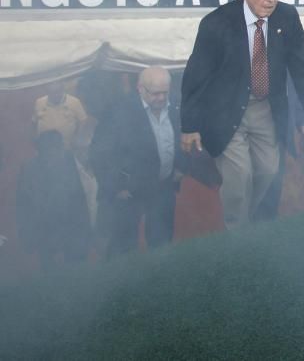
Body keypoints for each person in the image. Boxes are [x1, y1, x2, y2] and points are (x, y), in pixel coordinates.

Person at [180, 0, 304, 228]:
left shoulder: (287, 16)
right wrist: (189, 125)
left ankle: (247, 221)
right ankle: (237, 234)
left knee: (269, 171)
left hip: (266, 109)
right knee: (238, 178)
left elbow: (299, 62)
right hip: (227, 112)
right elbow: (195, 76)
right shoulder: (216, 22)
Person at [90, 67, 187, 257]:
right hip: (129, 191)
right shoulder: (118, 111)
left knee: (162, 243)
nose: (161, 98)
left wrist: (181, 166)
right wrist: (116, 186)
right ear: (140, 89)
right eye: (155, 93)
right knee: (124, 246)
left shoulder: (175, 105)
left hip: (163, 185)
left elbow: (184, 134)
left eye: (164, 92)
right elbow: (100, 152)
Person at [16, 130, 91, 271]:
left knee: (76, 268)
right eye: (50, 149)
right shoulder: (29, 170)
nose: (55, 152)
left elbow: (79, 199)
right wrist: (26, 236)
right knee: (49, 271)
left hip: (70, 228)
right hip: (44, 231)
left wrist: (85, 231)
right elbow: (23, 206)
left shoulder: (68, 163)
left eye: (58, 147)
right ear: (41, 150)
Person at [33, 80, 88, 149]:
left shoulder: (74, 102)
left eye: (57, 92)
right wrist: (35, 137)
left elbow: (83, 121)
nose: (55, 95)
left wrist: (77, 138)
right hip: (45, 146)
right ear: (48, 92)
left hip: (67, 146)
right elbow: (34, 121)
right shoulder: (39, 102)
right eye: (52, 93)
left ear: (62, 90)